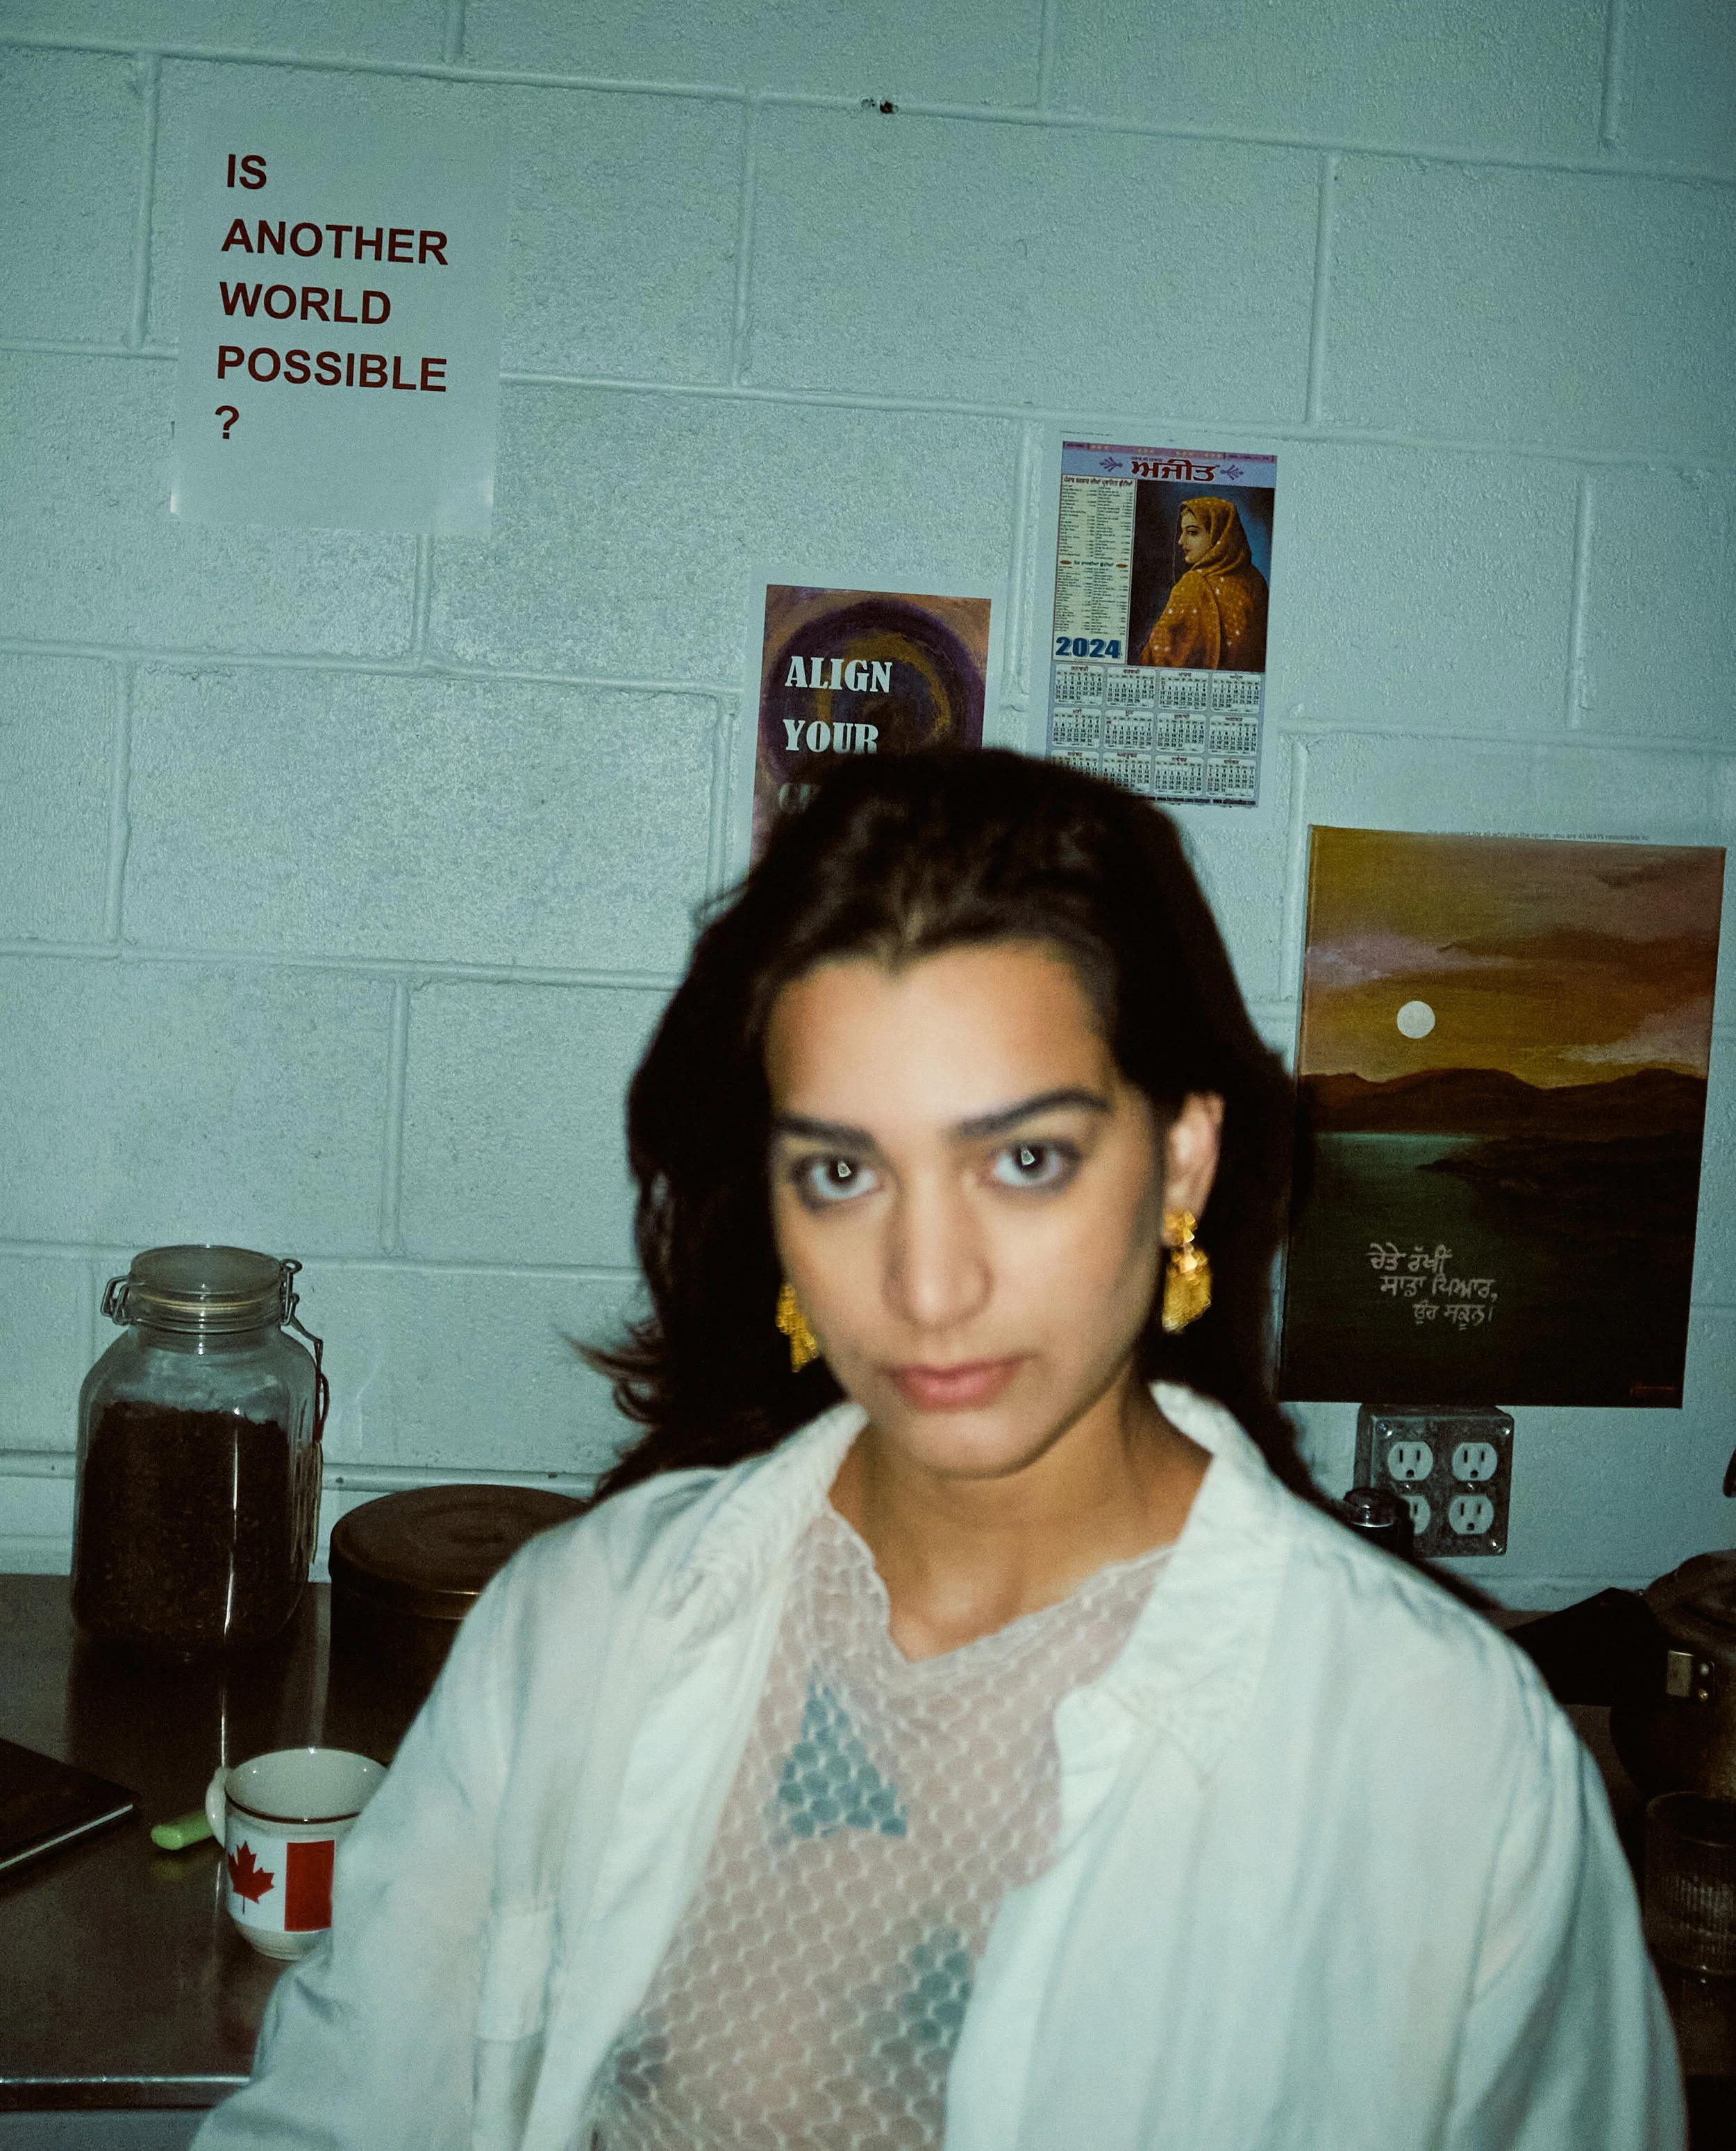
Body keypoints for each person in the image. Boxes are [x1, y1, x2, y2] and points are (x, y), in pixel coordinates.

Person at [197, 753, 1680, 2151]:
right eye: (841, 1172)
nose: (926, 1282)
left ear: (1178, 1160)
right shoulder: (579, 1625)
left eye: (1023, 1159)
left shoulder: (1441, 1750)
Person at [1139, 496, 1269, 672]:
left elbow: (1156, 660)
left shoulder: (1194, 585)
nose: (1181, 541)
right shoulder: (1256, 581)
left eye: (1193, 533)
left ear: (1220, 535)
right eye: (1182, 531)